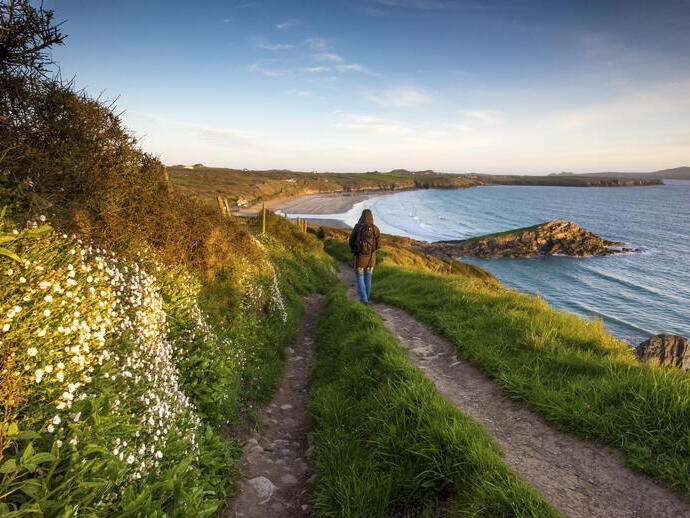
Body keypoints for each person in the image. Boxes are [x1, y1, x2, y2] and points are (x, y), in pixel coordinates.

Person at [348, 209, 381, 304]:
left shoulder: (357, 227)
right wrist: (371, 250)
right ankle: (366, 298)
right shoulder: (375, 229)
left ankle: (364, 300)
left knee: (360, 278)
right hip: (371, 259)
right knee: (368, 278)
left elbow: (351, 241)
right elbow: (379, 245)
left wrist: (354, 249)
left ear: (361, 216)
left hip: (359, 258)